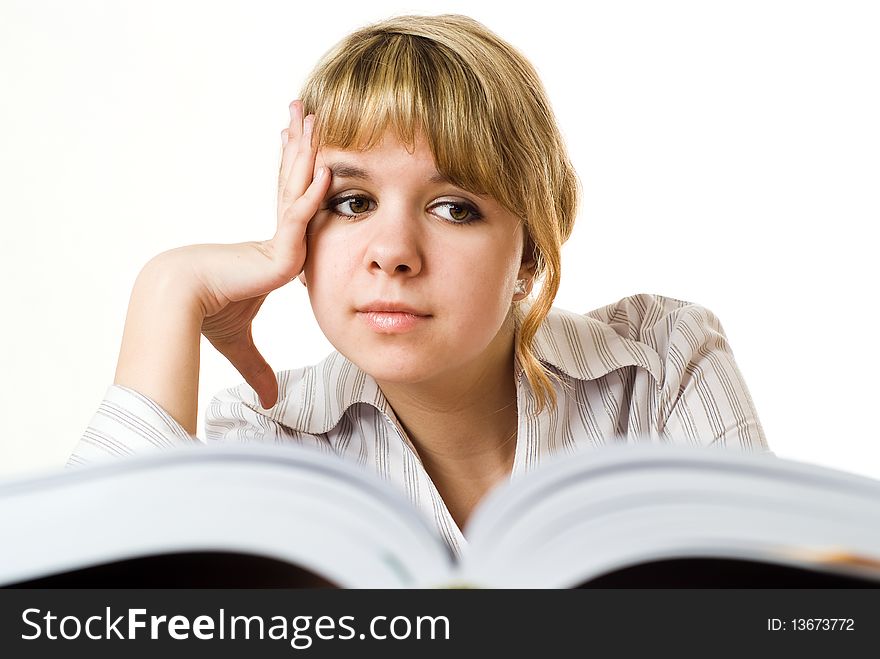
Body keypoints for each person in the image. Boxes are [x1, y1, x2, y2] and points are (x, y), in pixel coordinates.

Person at [66, 13, 771, 555]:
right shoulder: (265, 439)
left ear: (529, 252)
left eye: (454, 207)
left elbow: (786, 621)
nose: (393, 253)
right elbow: (78, 614)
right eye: (351, 202)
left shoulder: (662, 370)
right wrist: (169, 287)